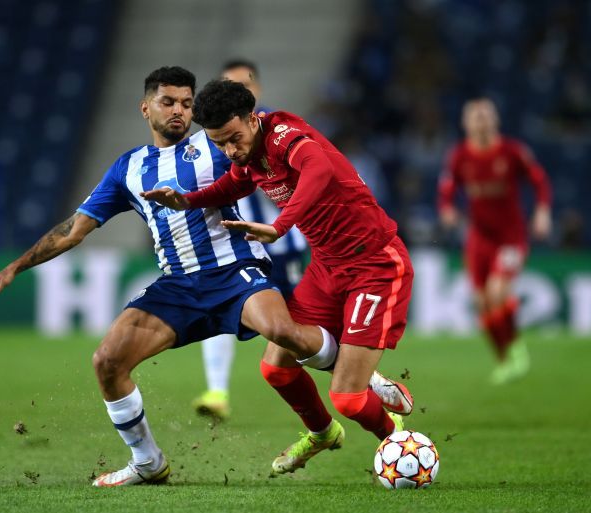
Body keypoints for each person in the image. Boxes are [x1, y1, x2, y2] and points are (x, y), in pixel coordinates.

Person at [0, 67, 344, 487]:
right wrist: (15, 266)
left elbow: (265, 148)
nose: (179, 111)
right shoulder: (128, 168)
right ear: (145, 107)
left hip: (234, 268)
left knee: (283, 331)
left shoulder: (215, 142)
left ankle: (360, 377)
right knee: (108, 361)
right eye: (168, 102)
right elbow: (74, 229)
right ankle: (148, 462)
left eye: (187, 103)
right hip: (178, 286)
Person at [143, 79, 415, 475]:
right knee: (276, 369)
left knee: (349, 399)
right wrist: (188, 200)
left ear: (253, 119)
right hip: (326, 267)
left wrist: (282, 225)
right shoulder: (248, 157)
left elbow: (318, 168)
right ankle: (323, 434)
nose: (230, 150)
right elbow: (230, 184)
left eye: (234, 138)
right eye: (220, 144)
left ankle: (399, 446)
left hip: (374, 265)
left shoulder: (286, 137)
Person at [193, 60, 308, 421]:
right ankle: (217, 390)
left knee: (294, 328)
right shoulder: (216, 137)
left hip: (281, 241)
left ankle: (359, 379)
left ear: (254, 89)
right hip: (240, 244)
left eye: (243, 84)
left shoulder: (272, 129)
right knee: (220, 309)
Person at [438, 97, 552, 384]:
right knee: (481, 302)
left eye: (486, 115)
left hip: (510, 237)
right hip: (479, 238)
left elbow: (539, 181)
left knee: (497, 291)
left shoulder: (512, 152)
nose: (481, 121)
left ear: (495, 120)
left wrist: (542, 211)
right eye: (475, 116)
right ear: (465, 123)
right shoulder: (460, 156)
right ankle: (505, 358)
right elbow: (447, 189)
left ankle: (516, 349)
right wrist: (448, 210)